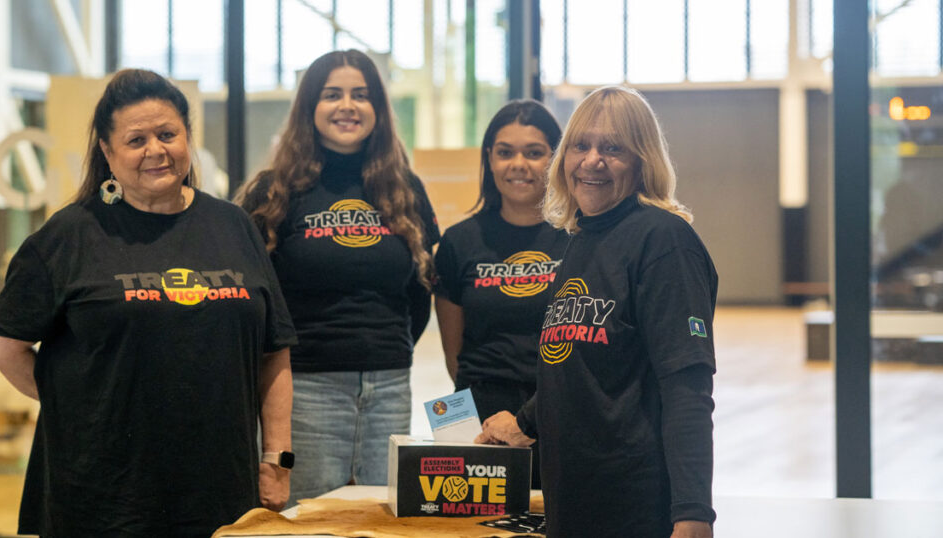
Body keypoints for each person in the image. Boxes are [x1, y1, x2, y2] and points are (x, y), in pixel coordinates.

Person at [0, 69, 296, 537]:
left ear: (187, 138)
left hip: (218, 486)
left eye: (167, 134)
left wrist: (276, 458)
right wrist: (82, 406)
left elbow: (274, 351)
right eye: (136, 140)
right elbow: (1, 346)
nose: (155, 150)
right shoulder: (69, 235)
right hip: (103, 494)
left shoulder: (233, 226)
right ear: (108, 153)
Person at [476, 86, 718, 538]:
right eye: (580, 146)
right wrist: (523, 423)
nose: (592, 161)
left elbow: (687, 385)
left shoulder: (664, 241)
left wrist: (693, 512)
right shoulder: (583, 238)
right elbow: (575, 371)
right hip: (574, 502)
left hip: (637, 507)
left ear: (643, 160)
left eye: (612, 148)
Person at [236, 49, 439, 505]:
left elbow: (419, 291)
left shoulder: (405, 189)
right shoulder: (273, 191)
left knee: (381, 518)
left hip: (389, 384)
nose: (347, 106)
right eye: (332, 95)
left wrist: (387, 346)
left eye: (360, 95)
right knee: (308, 522)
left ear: (377, 108)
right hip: (307, 388)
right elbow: (256, 298)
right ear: (309, 107)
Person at [433, 100, 566, 488]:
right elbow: (454, 355)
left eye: (534, 153)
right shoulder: (459, 242)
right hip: (479, 417)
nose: (518, 164)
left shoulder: (579, 238)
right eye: (505, 153)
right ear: (489, 159)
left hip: (557, 410)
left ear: (555, 159)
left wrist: (531, 416)